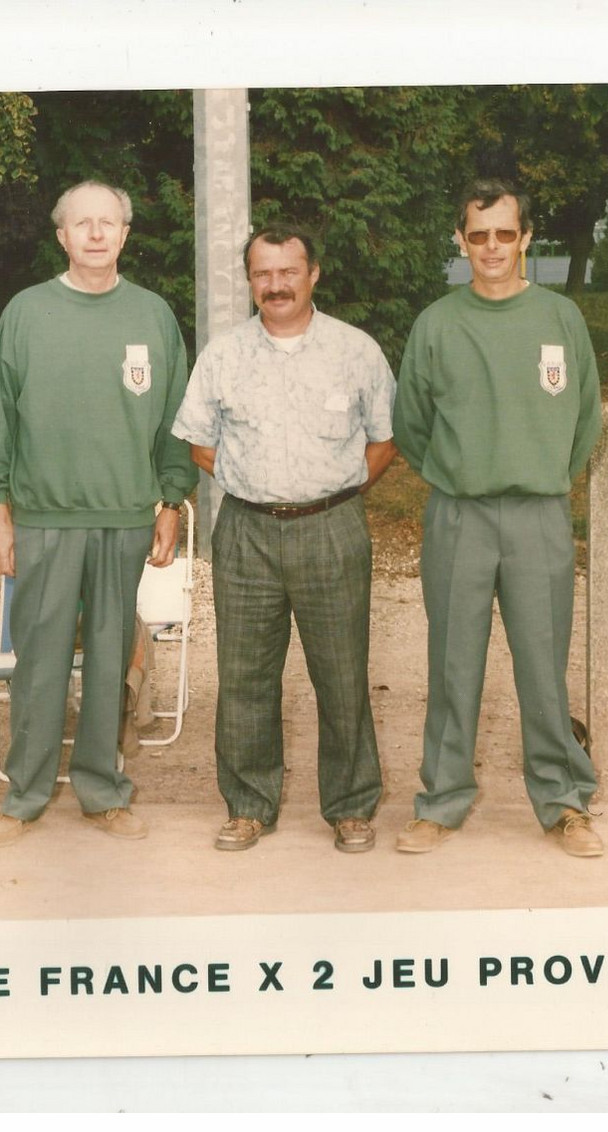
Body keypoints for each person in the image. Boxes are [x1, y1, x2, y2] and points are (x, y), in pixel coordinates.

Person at [0, 180, 196, 848]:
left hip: (126, 515)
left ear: (125, 234)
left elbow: (175, 420)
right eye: (81, 224)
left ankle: (103, 790)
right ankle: (24, 795)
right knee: (37, 659)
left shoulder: (153, 317)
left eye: (109, 223)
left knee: (108, 661)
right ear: (62, 235)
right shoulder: (27, 313)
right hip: (42, 516)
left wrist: (172, 499)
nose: (96, 234)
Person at [391, 178, 604, 858]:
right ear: (461, 241)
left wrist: (543, 477)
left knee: (543, 668)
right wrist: (461, 477)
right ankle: (442, 801)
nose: (491, 247)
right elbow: (411, 426)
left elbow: (586, 416)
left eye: (504, 234)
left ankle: (563, 802)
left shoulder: (560, 319)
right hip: (460, 516)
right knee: (453, 664)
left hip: (538, 514)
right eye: (477, 235)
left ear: (525, 239)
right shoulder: (437, 324)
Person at [172, 224, 396, 853]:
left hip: (332, 530)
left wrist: (336, 492)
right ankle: (248, 804)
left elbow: (384, 440)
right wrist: (257, 485)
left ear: (313, 273)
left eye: (287, 271)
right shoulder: (223, 355)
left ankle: (350, 806)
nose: (275, 285)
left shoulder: (356, 351)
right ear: (249, 281)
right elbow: (198, 440)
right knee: (244, 677)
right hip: (245, 534)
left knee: (343, 674)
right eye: (262, 274)